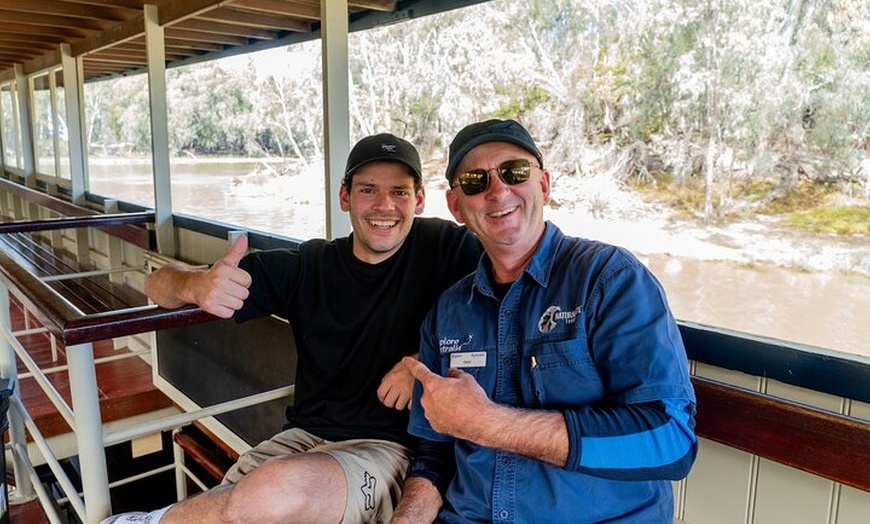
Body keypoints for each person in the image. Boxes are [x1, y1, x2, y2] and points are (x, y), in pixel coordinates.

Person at [102, 133, 482, 524]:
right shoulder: (310, 265)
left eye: (399, 192)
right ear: (345, 197)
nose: (385, 205)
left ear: (419, 199)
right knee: (238, 502)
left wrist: (424, 362)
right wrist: (194, 285)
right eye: (368, 190)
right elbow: (156, 284)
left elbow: (506, 303)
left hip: (387, 450)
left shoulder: (448, 248)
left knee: (272, 490)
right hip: (301, 438)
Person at [391, 119, 697, 523]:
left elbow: (669, 440)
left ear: (544, 185)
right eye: (475, 181)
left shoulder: (609, 279)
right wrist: (407, 516)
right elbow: (435, 450)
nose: (498, 190)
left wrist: (487, 423)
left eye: (515, 172)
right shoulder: (449, 311)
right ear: (456, 206)